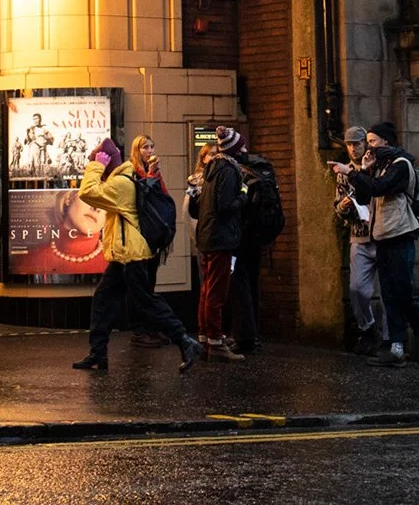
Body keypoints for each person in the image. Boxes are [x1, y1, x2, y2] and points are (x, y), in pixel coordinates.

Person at [73, 137, 202, 373]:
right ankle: (98, 353)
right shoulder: (122, 178)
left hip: (132, 256)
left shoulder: (121, 183)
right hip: (122, 256)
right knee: (103, 300)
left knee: (146, 302)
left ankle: (184, 340)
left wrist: (96, 165)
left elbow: (88, 192)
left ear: (107, 163)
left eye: (99, 163)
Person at [335, 122, 419, 368]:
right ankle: (397, 347)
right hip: (381, 235)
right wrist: (364, 170)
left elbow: (379, 188)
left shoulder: (400, 166)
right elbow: (363, 196)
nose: (368, 147)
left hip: (400, 234)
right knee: (390, 293)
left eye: (372, 141)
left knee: (403, 291)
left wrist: (352, 172)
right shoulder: (379, 167)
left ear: (386, 142)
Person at [221, 126, 279, 356]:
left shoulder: (237, 169)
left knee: (238, 283)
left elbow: (235, 201)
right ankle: (254, 334)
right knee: (252, 281)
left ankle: (244, 336)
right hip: (258, 232)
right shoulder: (262, 165)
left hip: (240, 233)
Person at [188, 139, 243, 360]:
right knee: (216, 293)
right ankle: (217, 343)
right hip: (220, 239)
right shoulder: (228, 171)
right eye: (242, 149)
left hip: (206, 237)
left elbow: (198, 209)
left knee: (206, 290)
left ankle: (204, 337)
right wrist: (244, 196)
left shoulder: (208, 172)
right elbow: (225, 206)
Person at [334, 127, 384, 355]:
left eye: (357, 144)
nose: (353, 148)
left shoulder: (378, 167)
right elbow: (338, 207)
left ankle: (391, 338)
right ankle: (368, 328)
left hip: (383, 234)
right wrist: (343, 207)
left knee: (390, 291)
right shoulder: (343, 172)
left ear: (366, 144)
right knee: (357, 289)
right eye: (349, 145)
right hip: (359, 234)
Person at [126, 135, 172, 350]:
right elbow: (142, 195)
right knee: (140, 285)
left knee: (150, 283)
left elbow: (162, 197)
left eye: (152, 146)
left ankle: (150, 327)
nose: (149, 150)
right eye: (145, 147)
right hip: (138, 235)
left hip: (152, 235)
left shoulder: (154, 172)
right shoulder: (132, 171)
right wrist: (152, 175)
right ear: (137, 150)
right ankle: (139, 329)